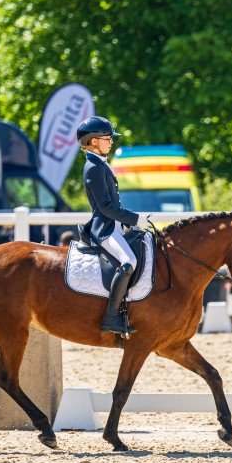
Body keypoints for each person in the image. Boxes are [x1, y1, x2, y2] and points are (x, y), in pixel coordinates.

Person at [77, 116, 149, 335]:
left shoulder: (100, 164)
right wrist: (135, 219)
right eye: (107, 138)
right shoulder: (93, 168)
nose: (111, 142)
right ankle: (111, 317)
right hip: (104, 229)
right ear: (93, 142)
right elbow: (106, 207)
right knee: (129, 262)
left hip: (115, 226)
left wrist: (127, 225)